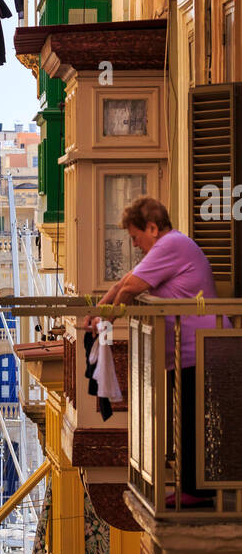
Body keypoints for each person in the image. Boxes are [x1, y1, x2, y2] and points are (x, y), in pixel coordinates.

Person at [88, 196, 217, 505]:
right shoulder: (167, 246)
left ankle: (196, 492)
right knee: (183, 417)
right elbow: (124, 283)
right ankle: (191, 488)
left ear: (152, 227)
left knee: (191, 420)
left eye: (135, 236)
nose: (134, 245)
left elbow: (131, 287)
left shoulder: (171, 245)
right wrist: (98, 312)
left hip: (198, 348)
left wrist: (104, 317)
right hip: (185, 351)